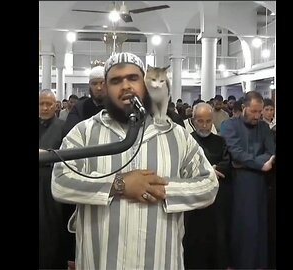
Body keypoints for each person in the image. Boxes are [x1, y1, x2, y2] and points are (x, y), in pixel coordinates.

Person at [52, 52, 219, 270]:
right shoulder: (84, 133)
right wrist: (118, 185)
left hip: (161, 261)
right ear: (105, 89)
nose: (125, 86)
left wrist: (158, 188)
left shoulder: (175, 135)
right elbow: (60, 182)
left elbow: (209, 184)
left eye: (133, 78)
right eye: (115, 80)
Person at [220, 91, 276, 270]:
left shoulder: (264, 128)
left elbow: (271, 152)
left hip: (260, 184)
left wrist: (248, 163)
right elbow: (235, 153)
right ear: (243, 108)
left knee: (260, 227)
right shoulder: (228, 125)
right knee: (243, 227)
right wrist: (260, 164)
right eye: (254, 111)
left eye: (260, 112)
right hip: (239, 185)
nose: (258, 116)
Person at [182, 103, 232, 270]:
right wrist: (211, 170)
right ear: (193, 120)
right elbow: (184, 168)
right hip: (193, 202)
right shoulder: (187, 141)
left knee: (217, 237)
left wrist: (206, 171)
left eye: (208, 121)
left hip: (216, 201)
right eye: (200, 121)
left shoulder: (220, 141)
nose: (204, 126)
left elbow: (226, 165)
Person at [39, 89, 74, 269]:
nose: (45, 108)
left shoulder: (63, 127)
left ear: (56, 105)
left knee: (51, 232)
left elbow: (68, 157)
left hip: (52, 189)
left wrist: (48, 156)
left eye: (49, 104)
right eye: (41, 104)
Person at [62, 66, 106, 136]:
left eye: (102, 83)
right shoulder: (80, 108)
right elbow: (70, 134)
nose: (99, 88)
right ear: (89, 86)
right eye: (94, 84)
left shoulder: (116, 106)